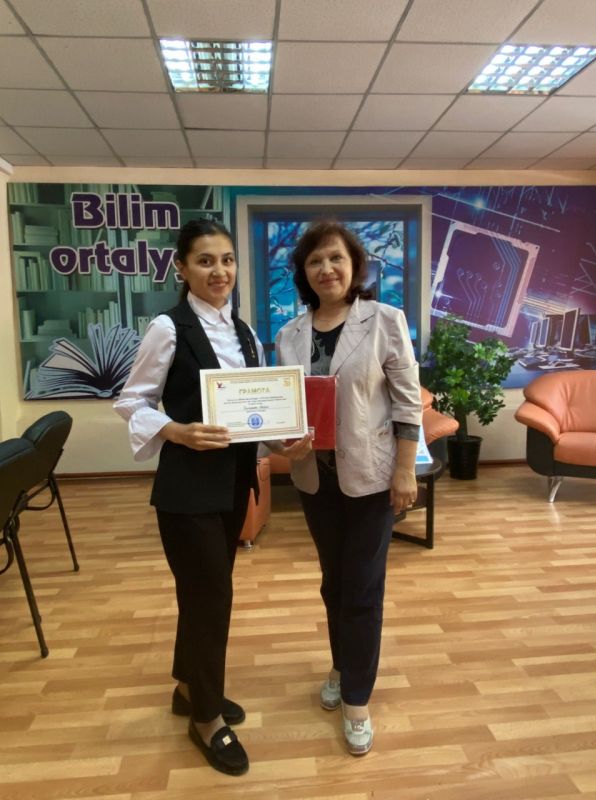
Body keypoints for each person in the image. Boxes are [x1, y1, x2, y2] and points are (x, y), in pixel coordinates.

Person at [114, 219, 310, 776]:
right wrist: (176, 430)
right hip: (186, 490)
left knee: (204, 594)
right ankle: (205, 717)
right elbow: (131, 401)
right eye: (205, 261)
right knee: (211, 599)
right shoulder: (168, 328)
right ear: (182, 268)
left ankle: (188, 688)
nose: (219, 271)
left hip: (232, 485)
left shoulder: (244, 333)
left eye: (226, 260)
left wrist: (281, 439)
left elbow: (250, 414)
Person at [276, 220, 422, 756]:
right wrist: (280, 442)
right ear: (303, 272)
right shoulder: (289, 334)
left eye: (335, 258)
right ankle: (341, 663)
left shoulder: (384, 320)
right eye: (315, 261)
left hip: (371, 478)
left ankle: (357, 697)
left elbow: (407, 401)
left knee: (362, 588)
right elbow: (284, 408)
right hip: (315, 480)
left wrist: (405, 470)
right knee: (333, 583)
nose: (326, 269)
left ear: (354, 266)